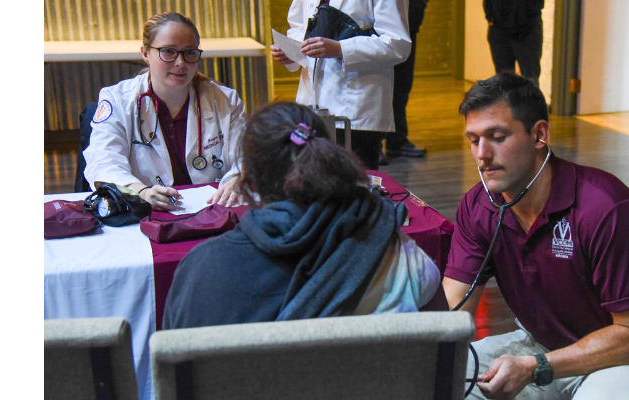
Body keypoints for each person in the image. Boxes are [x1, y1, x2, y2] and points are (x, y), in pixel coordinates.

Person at [442, 72, 629, 400]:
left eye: (496, 137)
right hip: (537, 346)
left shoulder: (608, 208)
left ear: (539, 134)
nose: (482, 154)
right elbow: (452, 312)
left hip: (624, 360)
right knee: (433, 381)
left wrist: (535, 366)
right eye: (473, 139)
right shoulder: (479, 206)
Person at [163, 101, 441, 329]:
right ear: (327, 162)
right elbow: (444, 359)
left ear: (249, 185)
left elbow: (181, 379)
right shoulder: (406, 260)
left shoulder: (199, 272)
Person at [83, 11, 246, 211]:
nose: (180, 62)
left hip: (212, 210)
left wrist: (238, 178)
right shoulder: (118, 100)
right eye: (168, 51)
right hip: (146, 213)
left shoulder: (225, 101)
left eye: (190, 52)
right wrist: (140, 192)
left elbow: (245, 156)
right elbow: (103, 162)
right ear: (145, 53)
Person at [269, 0, 411, 171]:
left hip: (356, 105)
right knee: (312, 181)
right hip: (311, 104)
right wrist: (292, 51)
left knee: (354, 186)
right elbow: (299, 27)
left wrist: (340, 49)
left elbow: (398, 43)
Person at [382, 0, 429, 164]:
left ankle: (397, 140)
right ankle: (374, 143)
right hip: (381, 34)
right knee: (381, 87)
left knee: (402, 87)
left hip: (408, 31)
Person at [485, 0, 544, 84]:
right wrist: (490, 17)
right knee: (503, 79)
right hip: (499, 28)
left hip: (529, 29)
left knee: (530, 79)